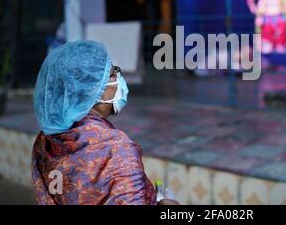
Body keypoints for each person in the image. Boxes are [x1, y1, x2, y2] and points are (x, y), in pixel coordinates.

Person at [32, 40, 178, 205]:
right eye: (113, 73)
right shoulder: (115, 149)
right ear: (92, 91)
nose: (119, 78)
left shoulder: (44, 140)